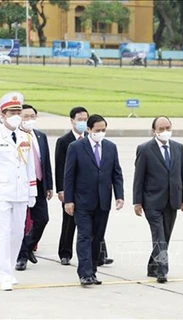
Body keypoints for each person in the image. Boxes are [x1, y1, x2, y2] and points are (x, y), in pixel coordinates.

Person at [0, 92, 37, 291]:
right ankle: (3, 274)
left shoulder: (25, 136)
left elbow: (29, 166)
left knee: (18, 233)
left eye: (18, 112)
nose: (16, 115)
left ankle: (10, 270)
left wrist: (32, 191)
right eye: (12, 112)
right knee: (3, 233)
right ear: (2, 115)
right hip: (1, 191)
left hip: (20, 192)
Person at [64, 114, 124, 286]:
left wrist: (119, 195)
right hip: (82, 201)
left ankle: (93, 272)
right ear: (89, 130)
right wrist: (69, 200)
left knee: (97, 238)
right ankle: (84, 273)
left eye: (103, 130)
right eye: (97, 130)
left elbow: (116, 173)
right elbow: (69, 176)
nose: (101, 133)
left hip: (103, 201)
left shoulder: (111, 147)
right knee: (84, 236)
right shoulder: (76, 147)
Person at [132, 116, 183, 283]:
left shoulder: (178, 148)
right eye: (161, 129)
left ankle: (152, 266)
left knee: (165, 236)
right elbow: (139, 177)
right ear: (154, 131)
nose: (165, 131)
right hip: (152, 201)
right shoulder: (144, 149)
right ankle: (162, 270)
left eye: (167, 127)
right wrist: (137, 202)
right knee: (159, 236)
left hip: (172, 200)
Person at [56, 107, 113, 266]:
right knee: (69, 224)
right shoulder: (65, 142)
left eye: (85, 119)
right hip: (72, 191)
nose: (82, 122)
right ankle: (65, 253)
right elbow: (62, 168)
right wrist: (62, 190)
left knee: (95, 227)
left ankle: (100, 255)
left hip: (94, 194)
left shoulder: (94, 141)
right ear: (72, 121)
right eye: (79, 119)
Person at [15, 104, 53, 271]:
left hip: (38, 184)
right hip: (21, 184)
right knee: (20, 222)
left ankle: (28, 246)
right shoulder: (14, 136)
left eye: (32, 116)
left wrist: (49, 185)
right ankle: (21, 257)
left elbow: (46, 162)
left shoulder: (40, 136)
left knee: (42, 219)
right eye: (25, 117)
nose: (29, 120)